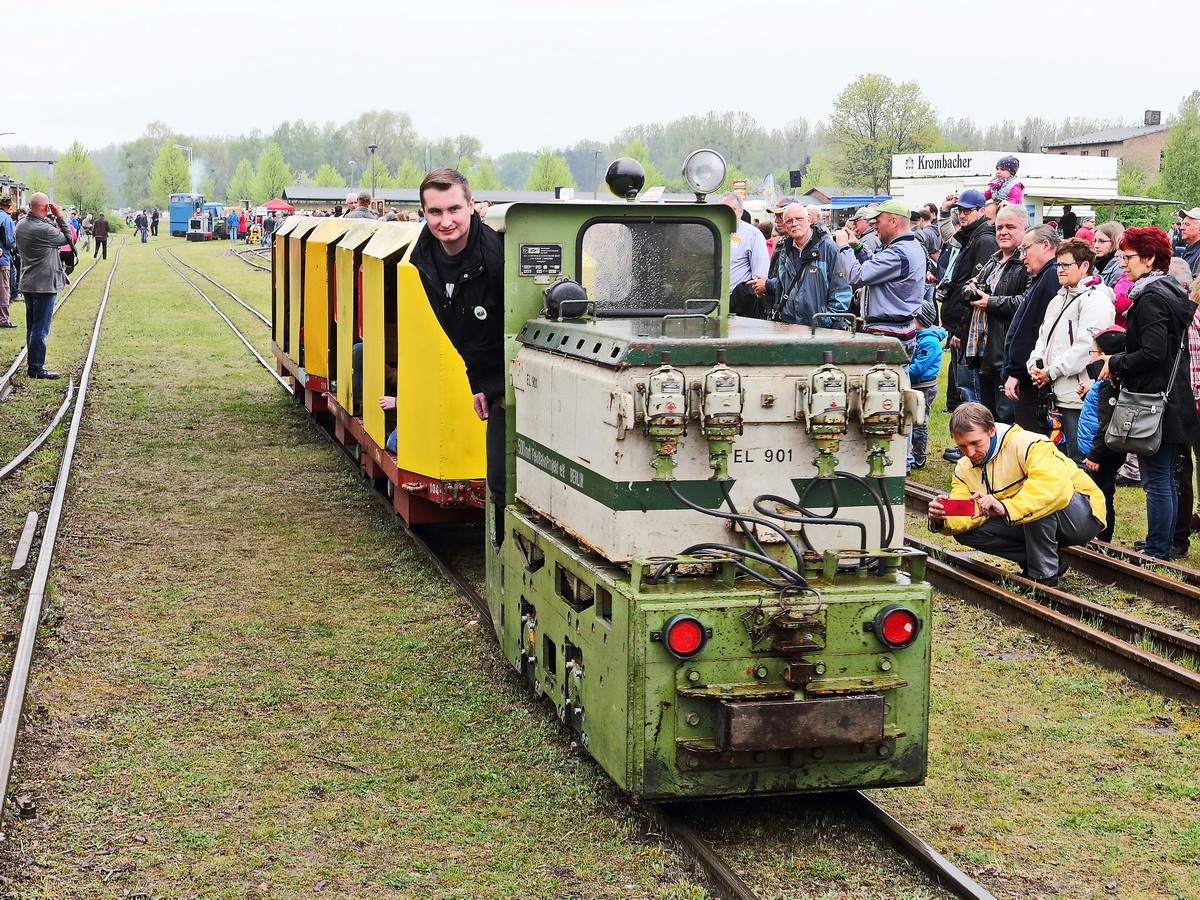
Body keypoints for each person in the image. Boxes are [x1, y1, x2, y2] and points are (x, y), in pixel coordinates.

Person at [409, 168, 505, 547]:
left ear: (471, 207)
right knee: (499, 478)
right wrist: (477, 383)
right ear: (423, 212)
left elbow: (512, 331)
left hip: (517, 377)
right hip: (487, 377)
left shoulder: (496, 257)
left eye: (454, 210)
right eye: (435, 212)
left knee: (502, 480)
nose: (445, 222)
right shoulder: (425, 259)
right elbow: (462, 332)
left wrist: (493, 384)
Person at [927, 402, 1105, 587]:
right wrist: (942, 518)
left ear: (991, 430)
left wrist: (1005, 507)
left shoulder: (1028, 444)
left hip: (1082, 514)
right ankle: (1043, 563)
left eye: (975, 443)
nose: (970, 452)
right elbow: (967, 511)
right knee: (968, 533)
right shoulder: (964, 468)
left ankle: (1045, 578)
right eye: (962, 446)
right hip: (1032, 518)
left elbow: (1053, 489)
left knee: (1036, 503)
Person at [1105, 227, 1200, 560]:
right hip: (1173, 398)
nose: (1122, 263)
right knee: (1166, 476)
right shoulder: (1171, 290)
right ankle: (1165, 542)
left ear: (1148, 259)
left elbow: (1154, 352)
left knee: (1156, 478)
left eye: (1128, 256)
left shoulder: (1151, 297)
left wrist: (1115, 361)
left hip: (1153, 400)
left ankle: (1158, 546)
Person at [1027, 237, 1116, 464]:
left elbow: (1086, 346)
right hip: (1054, 393)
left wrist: (1051, 372)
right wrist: (1036, 365)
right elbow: (1043, 338)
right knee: (1058, 459)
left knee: (1080, 459)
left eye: (1066, 265)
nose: (1060, 270)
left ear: (1084, 266)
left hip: (1078, 394)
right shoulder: (1058, 299)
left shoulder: (1096, 299)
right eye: (1058, 265)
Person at [963, 204, 1031, 422]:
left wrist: (990, 302)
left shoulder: (1025, 263)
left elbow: (1026, 302)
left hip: (1005, 354)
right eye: (999, 227)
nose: (1003, 232)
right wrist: (971, 291)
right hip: (983, 350)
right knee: (989, 415)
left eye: (1010, 227)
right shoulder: (994, 260)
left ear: (1025, 229)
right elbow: (971, 286)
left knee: (1006, 416)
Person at [832, 198, 927, 354]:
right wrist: (857, 247)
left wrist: (843, 247)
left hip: (887, 333)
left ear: (894, 221)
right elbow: (877, 266)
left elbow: (856, 276)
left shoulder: (898, 253)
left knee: (882, 378)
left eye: (877, 221)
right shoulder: (910, 246)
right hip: (898, 329)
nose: (874, 226)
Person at [936, 189, 998, 427]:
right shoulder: (970, 236)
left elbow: (975, 289)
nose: (962, 215)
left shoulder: (983, 240)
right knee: (963, 386)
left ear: (981, 211)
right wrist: (944, 211)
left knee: (970, 390)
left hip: (968, 329)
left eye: (967, 210)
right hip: (959, 324)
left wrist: (962, 330)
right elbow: (948, 237)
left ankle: (974, 434)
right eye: (959, 210)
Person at [1002, 225, 1062, 433]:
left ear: (1045, 245)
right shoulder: (1045, 276)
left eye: (1025, 249)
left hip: (1033, 377)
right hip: (1030, 373)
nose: (1022, 257)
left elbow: (1033, 330)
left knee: (1031, 440)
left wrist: (1016, 371)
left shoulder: (1052, 277)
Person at [752, 204, 849, 326]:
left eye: (799, 219)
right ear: (785, 226)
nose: (794, 223)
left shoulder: (828, 249)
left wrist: (824, 321)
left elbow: (841, 291)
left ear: (808, 220)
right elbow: (783, 287)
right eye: (789, 221)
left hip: (819, 332)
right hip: (789, 329)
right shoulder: (784, 251)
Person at [1078, 326, 1129, 541]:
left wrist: (1095, 455)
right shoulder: (1101, 385)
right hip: (1099, 449)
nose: (1091, 359)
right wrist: (1087, 397)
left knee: (1102, 494)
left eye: (1093, 353)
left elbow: (1105, 423)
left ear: (1105, 357)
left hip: (1103, 453)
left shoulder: (1110, 386)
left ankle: (1103, 536)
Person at [14, 192, 72, 379]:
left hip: (28, 282)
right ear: (46, 208)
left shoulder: (20, 225)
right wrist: (60, 216)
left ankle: (33, 363)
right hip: (44, 284)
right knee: (41, 328)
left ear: (30, 205)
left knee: (32, 326)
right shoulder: (44, 230)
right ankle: (36, 368)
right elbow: (67, 238)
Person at [907, 300, 945, 470]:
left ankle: (919, 456)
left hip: (924, 387)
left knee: (920, 421)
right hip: (916, 384)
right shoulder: (919, 337)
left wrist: (903, 372)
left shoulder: (929, 342)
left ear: (918, 319)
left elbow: (919, 367)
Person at [721, 192, 769, 318]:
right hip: (712, 302)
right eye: (724, 209)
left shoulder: (753, 235)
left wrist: (744, 296)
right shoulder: (710, 233)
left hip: (740, 303)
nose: (729, 213)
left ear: (741, 212)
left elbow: (760, 274)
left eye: (733, 209)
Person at [1092, 221, 1124, 286]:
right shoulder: (1099, 263)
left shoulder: (1119, 268)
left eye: (1102, 241)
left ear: (1115, 242)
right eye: (1095, 241)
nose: (1096, 245)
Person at [0, 197, 15, 328]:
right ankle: (3, 319)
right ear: (8, 206)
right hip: (2, 258)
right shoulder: (6, 219)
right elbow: (10, 242)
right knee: (4, 289)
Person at [1177, 207, 1200, 277]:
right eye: (1182, 224)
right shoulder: (1189, 249)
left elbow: (1195, 286)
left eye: (1187, 225)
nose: (1181, 228)